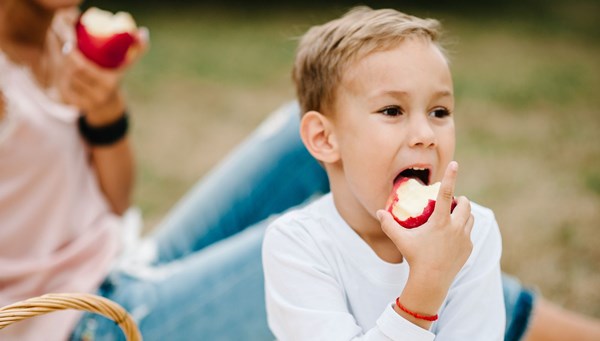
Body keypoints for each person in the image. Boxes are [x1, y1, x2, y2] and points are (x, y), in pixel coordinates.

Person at [1, 1, 598, 341]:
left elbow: (113, 196)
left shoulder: (59, 33)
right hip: (75, 326)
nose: (424, 130)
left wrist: (104, 112)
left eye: (438, 111)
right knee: (326, 242)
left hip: (126, 265)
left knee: (336, 110)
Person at [262, 6, 600, 341]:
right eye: (392, 110)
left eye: (439, 111)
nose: (426, 133)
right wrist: (424, 294)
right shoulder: (297, 245)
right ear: (324, 138)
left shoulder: (472, 234)